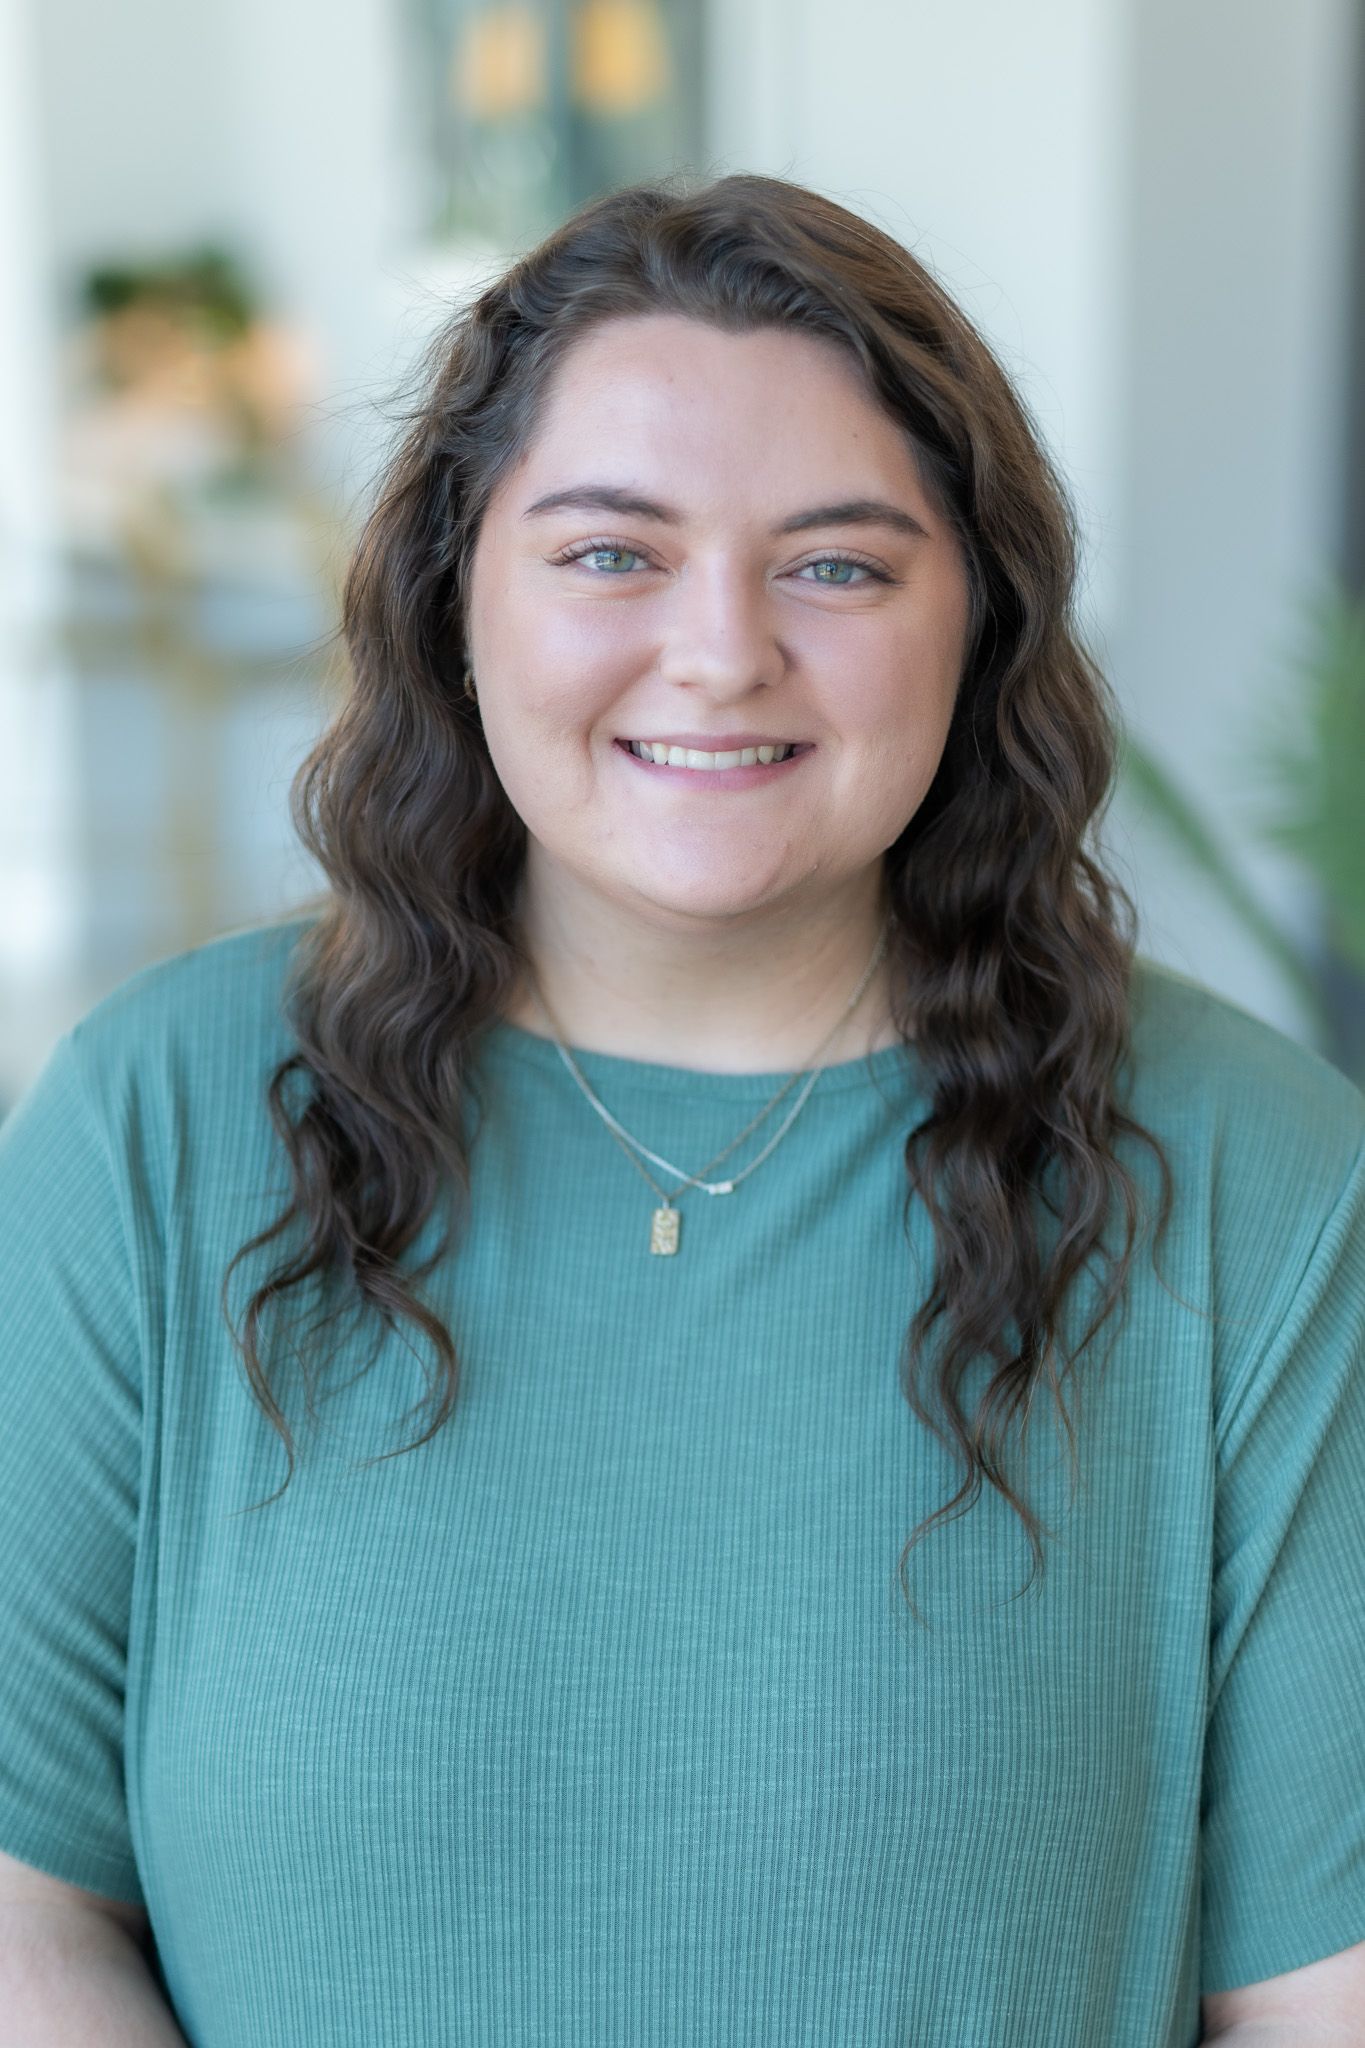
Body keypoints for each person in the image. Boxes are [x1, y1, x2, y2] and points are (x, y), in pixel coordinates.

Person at [0, 171, 1362, 2048]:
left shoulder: (1249, 1168)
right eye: (609, 553)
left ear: (975, 626)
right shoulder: (156, 1124)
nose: (720, 652)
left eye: (837, 564)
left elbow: (1319, 1997)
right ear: (454, 595)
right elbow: (23, 1913)